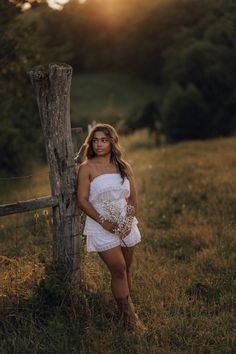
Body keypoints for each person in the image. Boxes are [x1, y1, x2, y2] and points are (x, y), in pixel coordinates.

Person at [77, 123, 146, 333]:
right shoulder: (86, 168)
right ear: (91, 143)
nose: (99, 144)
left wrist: (127, 222)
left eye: (104, 140)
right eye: (95, 140)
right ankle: (131, 318)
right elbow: (82, 200)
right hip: (102, 225)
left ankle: (123, 312)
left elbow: (133, 197)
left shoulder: (124, 166)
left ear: (112, 142)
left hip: (125, 223)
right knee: (118, 269)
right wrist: (103, 221)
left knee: (127, 268)